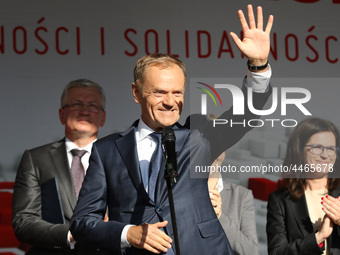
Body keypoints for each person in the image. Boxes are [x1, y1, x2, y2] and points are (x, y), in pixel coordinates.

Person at [70, 5, 274, 255]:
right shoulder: (107, 151)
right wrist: (127, 233)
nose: (170, 101)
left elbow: (247, 114)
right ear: (136, 93)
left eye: (177, 92)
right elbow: (82, 222)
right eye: (159, 92)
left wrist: (258, 65)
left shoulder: (199, 136)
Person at [12, 79, 107, 255]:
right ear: (61, 115)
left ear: (103, 118)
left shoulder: (118, 158)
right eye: (77, 104)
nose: (84, 110)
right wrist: (71, 235)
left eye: (93, 106)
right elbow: (24, 221)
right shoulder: (35, 159)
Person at [266, 117, 340, 255]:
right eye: (317, 148)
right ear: (299, 150)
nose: (325, 155)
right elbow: (277, 252)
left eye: (331, 149)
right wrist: (318, 237)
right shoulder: (280, 201)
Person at [208, 152, 259, 255]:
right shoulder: (178, 192)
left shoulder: (242, 196)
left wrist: (220, 217)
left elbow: (252, 251)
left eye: (219, 145)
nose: (213, 152)